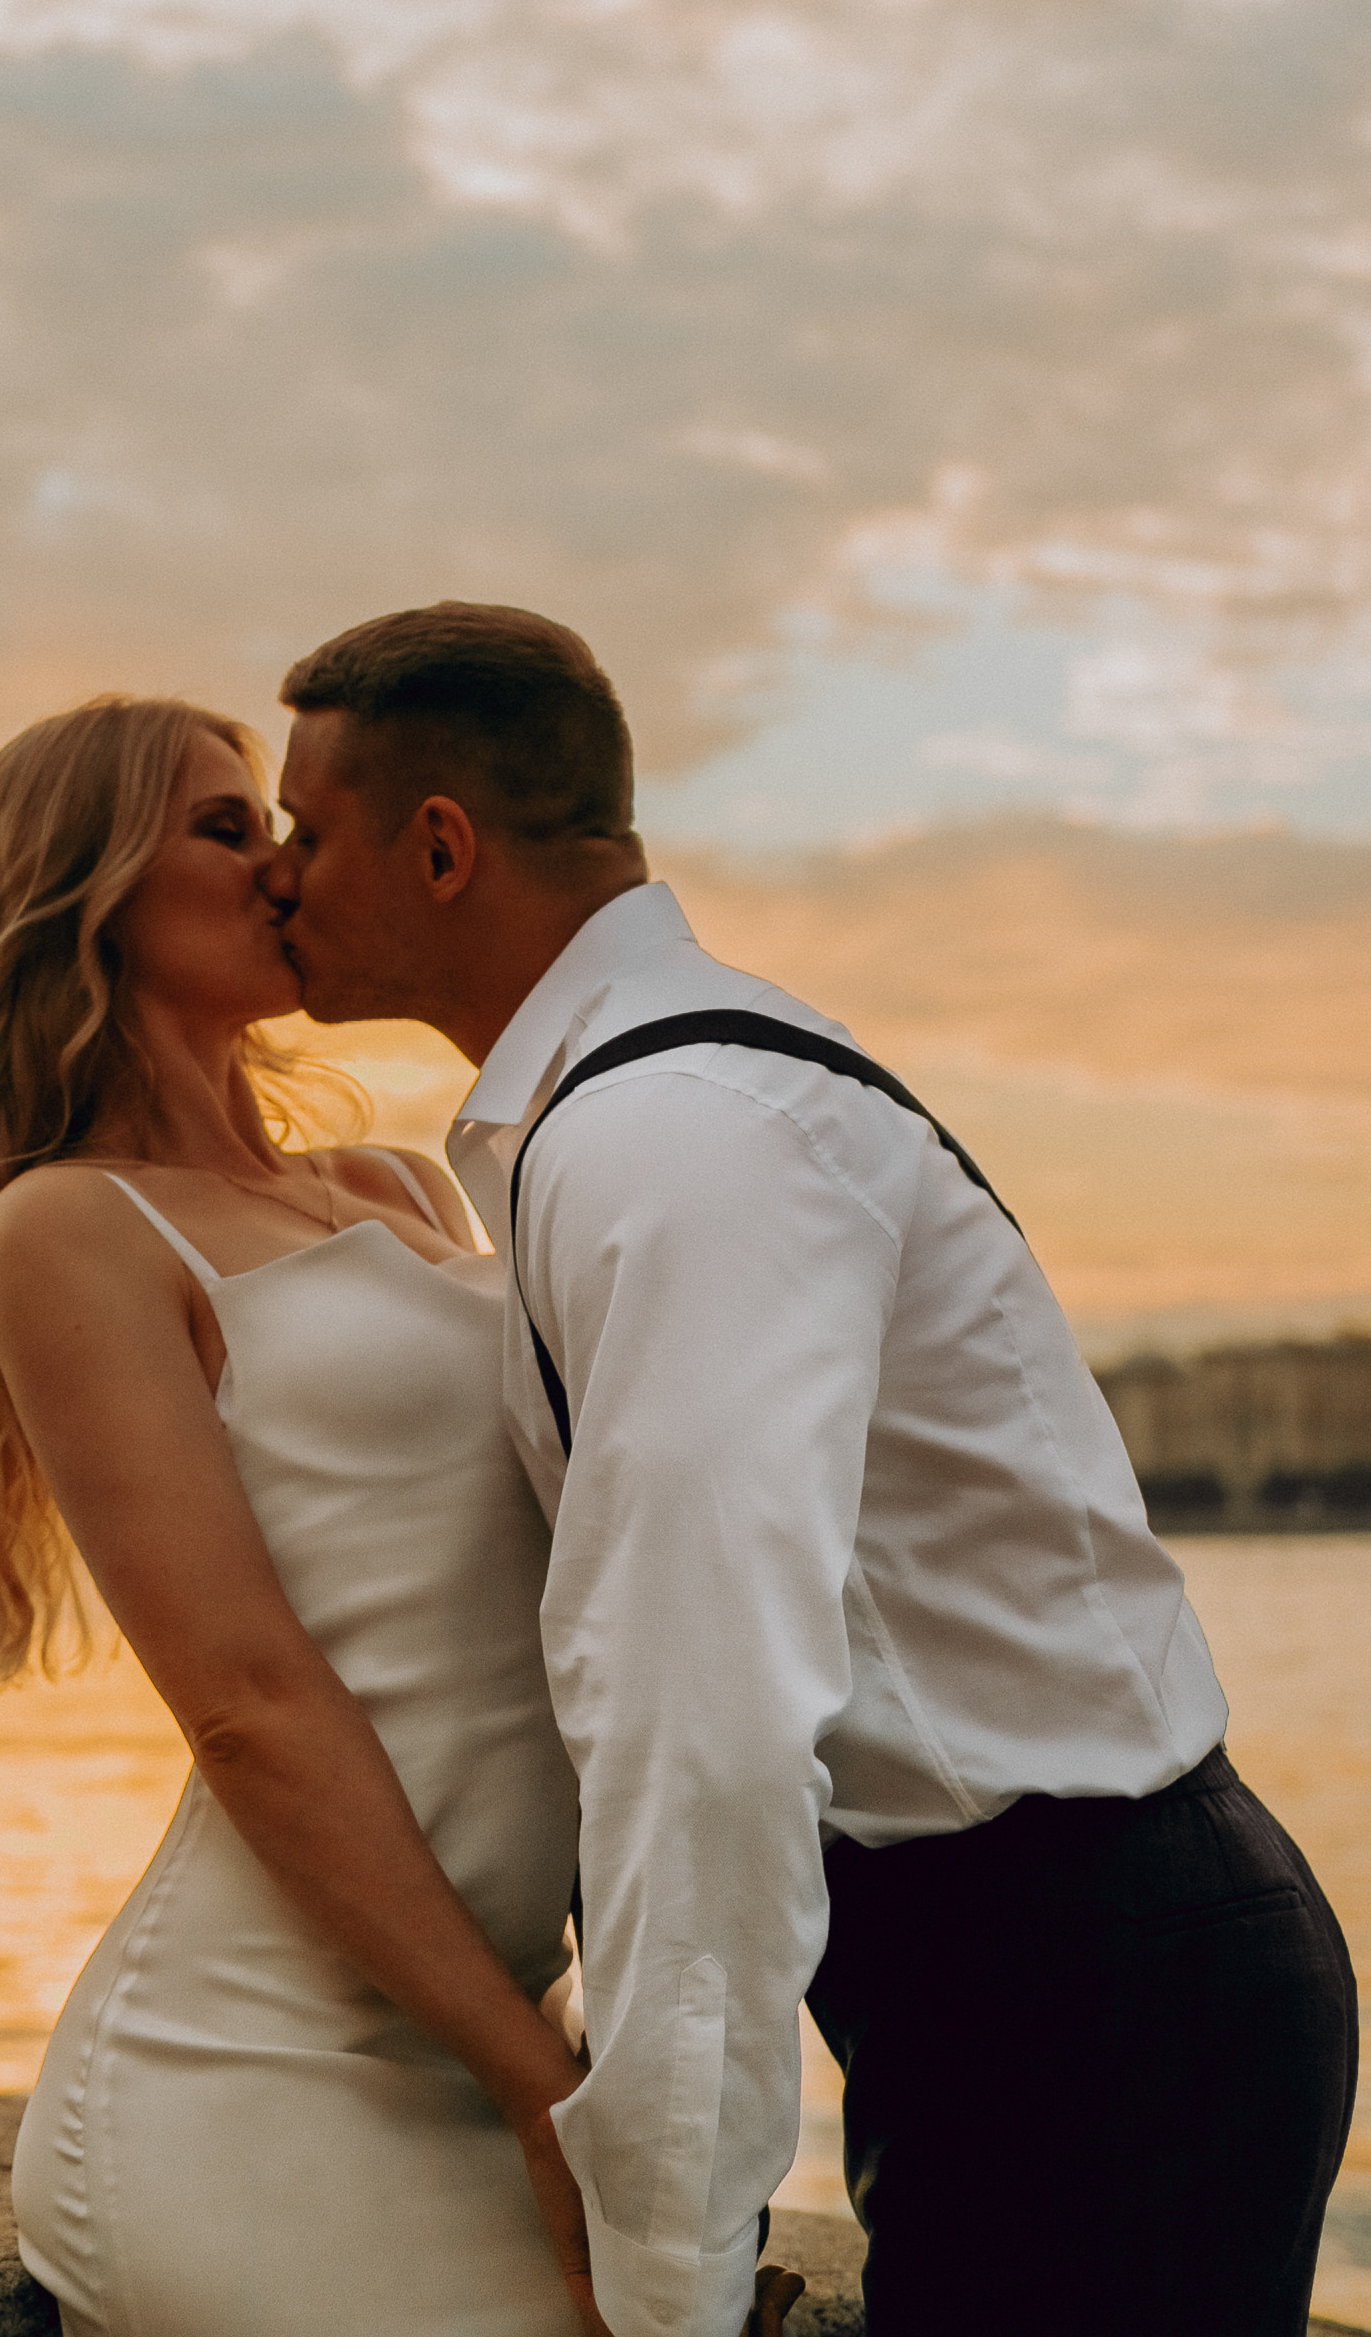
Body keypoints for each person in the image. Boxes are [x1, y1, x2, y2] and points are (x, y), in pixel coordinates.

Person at [266, 600, 1360, 2337]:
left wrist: (665, 2275)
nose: (276, 876)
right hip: (1045, 1981)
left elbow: (700, 1716)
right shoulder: (653, 1106)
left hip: (1089, 2005)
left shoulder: (676, 1138)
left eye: (305, 832)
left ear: (444, 847)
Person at [0, 694, 807, 2337]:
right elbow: (246, 1704)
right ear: (87, 894)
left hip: (505, 2037)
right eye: (227, 828)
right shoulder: (69, 1230)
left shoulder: (405, 1184)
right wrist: (544, 2093)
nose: (285, 868)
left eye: (284, 828)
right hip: (263, 2072)